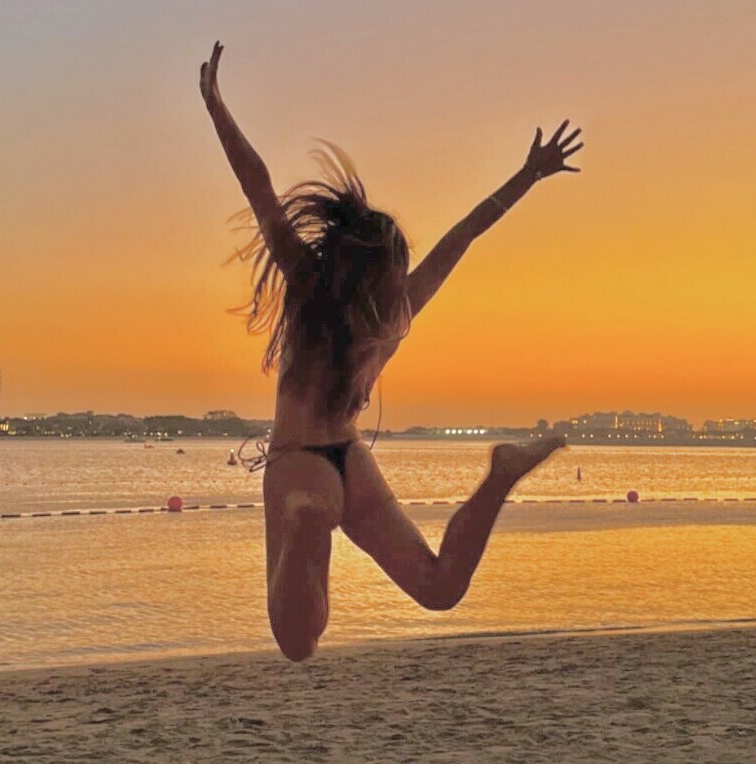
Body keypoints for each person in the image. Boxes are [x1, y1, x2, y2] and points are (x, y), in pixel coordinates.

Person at [200, 42, 581, 662]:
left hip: (302, 463)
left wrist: (216, 109)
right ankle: (498, 475)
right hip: (353, 461)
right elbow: (465, 233)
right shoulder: (395, 313)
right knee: (439, 587)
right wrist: (527, 176)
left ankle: (307, 519)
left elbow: (259, 189)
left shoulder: (309, 285)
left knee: (297, 642)